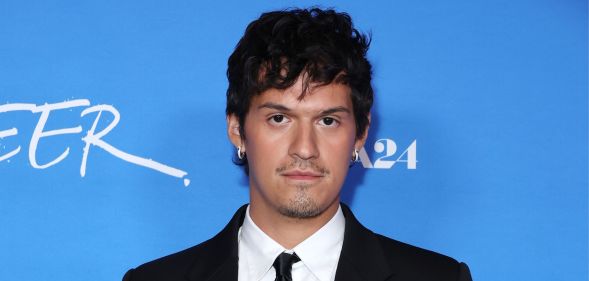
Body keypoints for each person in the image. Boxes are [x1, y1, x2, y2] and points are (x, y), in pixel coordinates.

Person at [123, 7, 473, 281]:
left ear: (361, 135)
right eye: (279, 118)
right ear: (237, 130)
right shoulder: (152, 279)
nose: (304, 148)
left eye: (327, 121)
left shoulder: (439, 277)